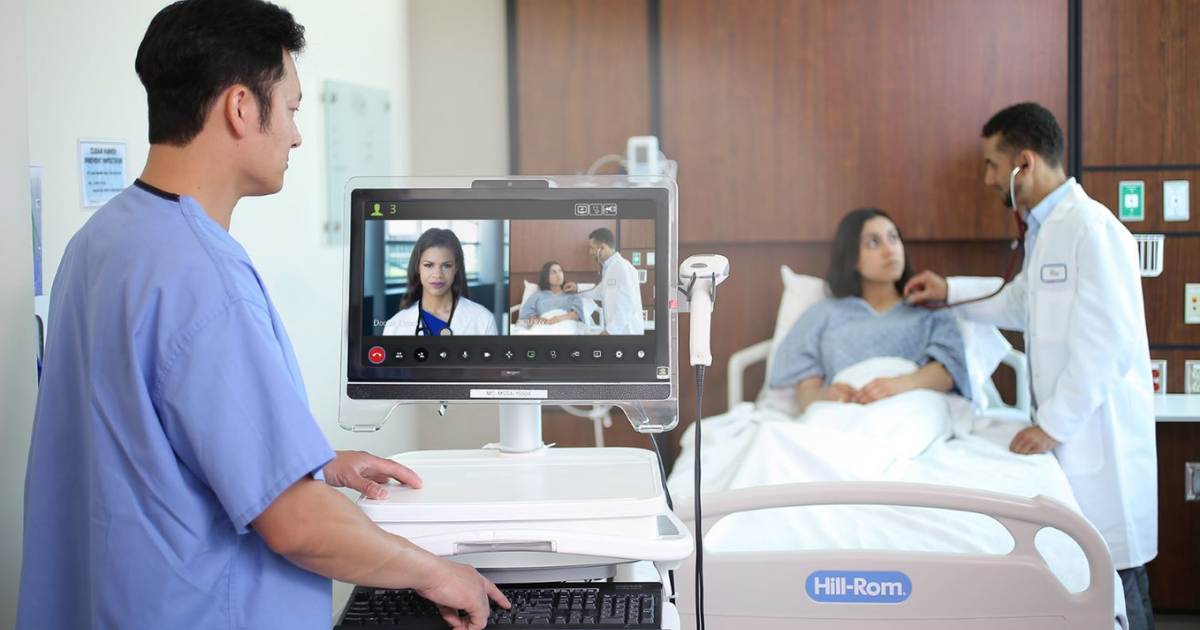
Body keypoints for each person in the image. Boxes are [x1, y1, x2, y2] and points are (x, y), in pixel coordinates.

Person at [17, 2, 508, 629]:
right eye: (294, 108)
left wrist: (312, 461)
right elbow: (298, 525)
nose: (298, 135)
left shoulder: (99, 242)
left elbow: (145, 442)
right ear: (242, 107)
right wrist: (441, 573)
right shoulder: (205, 276)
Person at [903, 102, 1157, 630]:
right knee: (1089, 573)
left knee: (1120, 584)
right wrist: (949, 290)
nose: (988, 178)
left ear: (1024, 162)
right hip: (1069, 435)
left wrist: (1051, 425)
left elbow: (1109, 343)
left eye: (993, 165)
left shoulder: (1092, 228)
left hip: (1096, 438)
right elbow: (1020, 302)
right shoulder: (1045, 232)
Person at [769, 208, 971, 412]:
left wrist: (898, 385)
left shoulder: (930, 308)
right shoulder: (823, 315)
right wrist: (826, 395)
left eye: (893, 238)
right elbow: (807, 397)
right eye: (873, 243)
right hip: (843, 414)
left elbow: (949, 371)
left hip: (911, 409)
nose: (889, 250)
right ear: (852, 257)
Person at [382, 227, 498, 336]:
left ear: (456, 268)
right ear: (418, 267)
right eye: (428, 265)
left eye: (446, 266)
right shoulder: (395, 326)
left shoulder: (483, 319)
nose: (437, 275)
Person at [563, 227, 644, 335]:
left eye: (592, 248)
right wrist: (577, 288)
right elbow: (601, 292)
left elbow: (628, 304)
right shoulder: (608, 269)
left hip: (627, 331)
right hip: (616, 331)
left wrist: (611, 330)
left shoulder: (623, 268)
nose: (590, 252)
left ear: (602, 247)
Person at [519, 261, 586, 326]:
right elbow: (529, 320)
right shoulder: (537, 296)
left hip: (566, 326)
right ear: (546, 276)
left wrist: (559, 319)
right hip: (544, 328)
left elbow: (577, 314)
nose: (558, 274)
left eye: (560, 271)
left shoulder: (572, 294)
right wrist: (539, 321)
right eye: (553, 272)